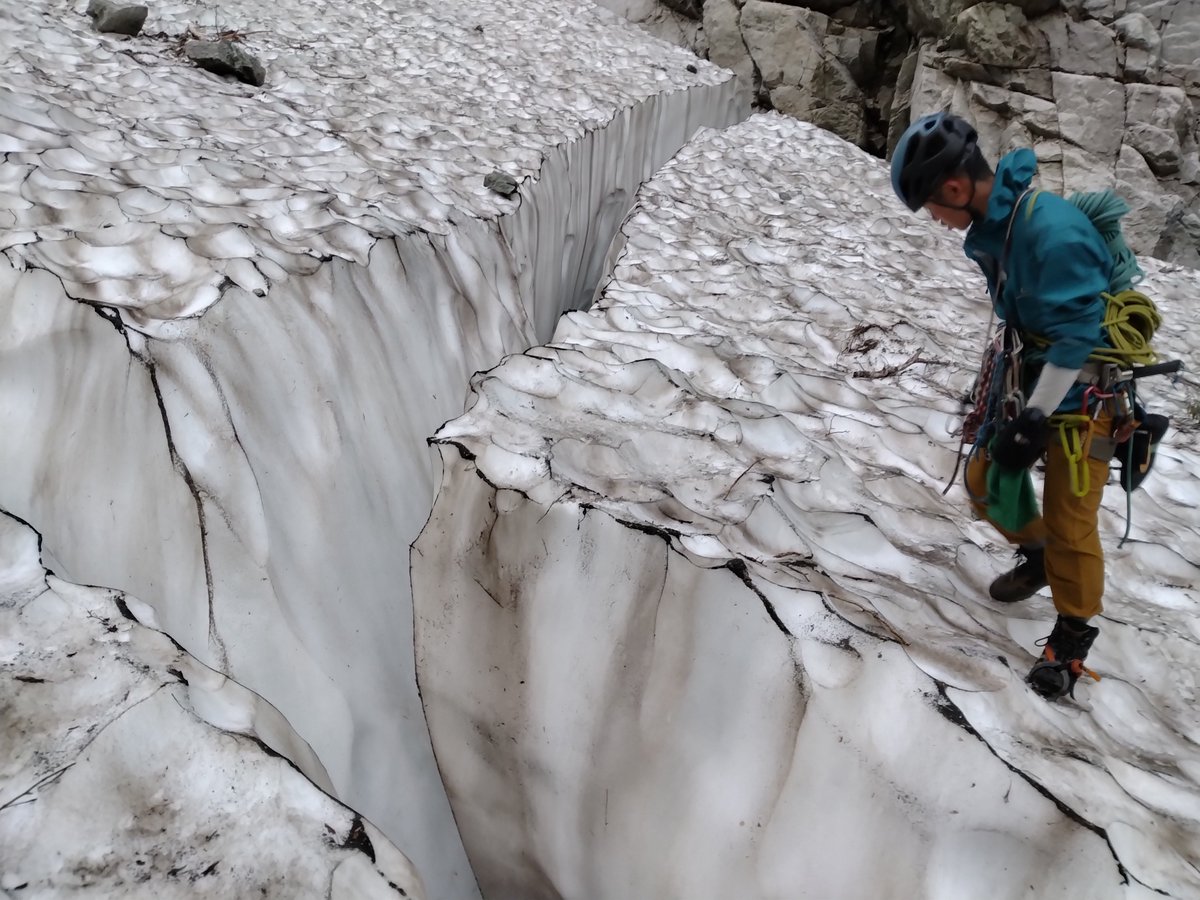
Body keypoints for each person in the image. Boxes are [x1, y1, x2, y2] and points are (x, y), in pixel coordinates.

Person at [889, 111, 1123, 700]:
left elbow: (1076, 335)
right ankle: (1040, 556)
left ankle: (1070, 642)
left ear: (954, 188)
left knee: (1073, 520)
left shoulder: (1051, 230)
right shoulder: (1001, 228)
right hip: (1034, 380)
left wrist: (1036, 420)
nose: (938, 223)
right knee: (985, 478)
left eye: (933, 208)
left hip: (1085, 395)